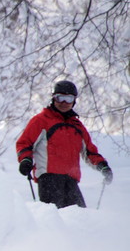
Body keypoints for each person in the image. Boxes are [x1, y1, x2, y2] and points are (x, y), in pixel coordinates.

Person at [15, 80, 112, 208]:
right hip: (48, 178)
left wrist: (102, 166)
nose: (64, 103)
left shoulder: (77, 126)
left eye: (68, 98)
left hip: (71, 180)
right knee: (56, 219)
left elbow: (90, 152)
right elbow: (25, 143)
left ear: (74, 100)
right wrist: (25, 160)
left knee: (80, 218)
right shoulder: (41, 120)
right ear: (54, 98)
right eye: (60, 98)